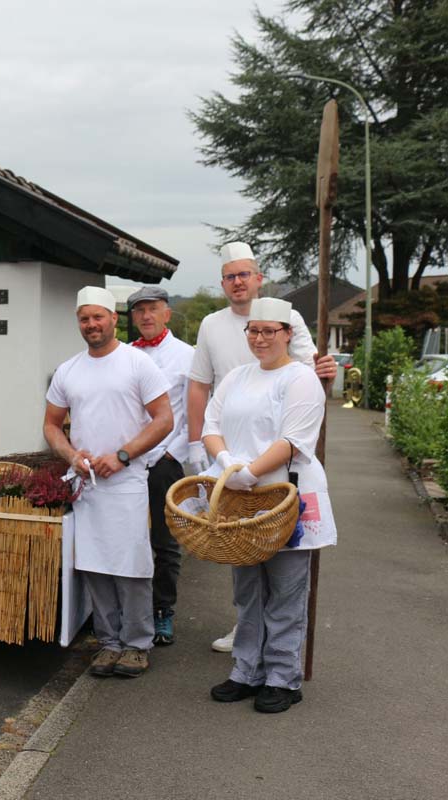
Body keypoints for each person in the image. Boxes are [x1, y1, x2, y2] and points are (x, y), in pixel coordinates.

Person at [186, 242, 338, 652]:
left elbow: (312, 371)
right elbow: (200, 385)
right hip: (231, 453)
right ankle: (247, 644)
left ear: (259, 278)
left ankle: (281, 667)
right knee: (244, 559)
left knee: (286, 571)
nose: (237, 282)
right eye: (230, 276)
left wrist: (326, 372)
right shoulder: (212, 327)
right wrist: (200, 446)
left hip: (279, 463)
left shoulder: (290, 320)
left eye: (244, 274)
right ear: (223, 284)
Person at [202, 297, 336, 713]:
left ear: (287, 335)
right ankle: (246, 670)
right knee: (247, 590)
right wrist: (227, 463)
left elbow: (293, 440)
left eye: (268, 332)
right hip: (239, 502)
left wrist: (250, 471)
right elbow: (211, 425)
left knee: (286, 590)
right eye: (253, 331)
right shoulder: (238, 377)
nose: (260, 339)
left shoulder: (300, 379)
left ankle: (282, 677)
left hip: (285, 498)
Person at [44, 287, 173, 679]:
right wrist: (72, 456)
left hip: (128, 480)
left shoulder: (137, 363)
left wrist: (122, 455)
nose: (91, 325)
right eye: (84, 318)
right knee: (95, 564)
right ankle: (109, 642)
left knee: (132, 563)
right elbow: (51, 425)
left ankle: (136, 644)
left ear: (113, 318)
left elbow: (164, 419)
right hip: (87, 486)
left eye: (98, 317)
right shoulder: (69, 370)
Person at [127, 286, 194, 646]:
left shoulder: (188, 356)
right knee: (128, 537)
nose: (146, 316)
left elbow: (195, 411)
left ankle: (163, 611)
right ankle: (130, 610)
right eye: (139, 311)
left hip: (166, 460)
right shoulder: (124, 355)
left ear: (167, 313)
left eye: (153, 309)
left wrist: (174, 455)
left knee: (165, 542)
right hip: (128, 460)